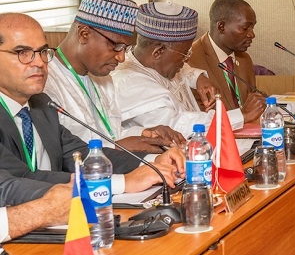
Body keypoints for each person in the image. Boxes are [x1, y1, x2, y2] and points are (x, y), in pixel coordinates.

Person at [0, 13, 183, 194]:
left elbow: (80, 155)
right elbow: (17, 179)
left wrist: (154, 161)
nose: (39, 62)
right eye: (22, 52)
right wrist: (123, 183)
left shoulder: (41, 104)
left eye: (42, 52)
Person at [45, 0, 185, 153]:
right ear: (84, 34)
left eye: (125, 48)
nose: (121, 58)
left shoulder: (103, 79)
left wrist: (145, 133)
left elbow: (111, 134)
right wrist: (118, 147)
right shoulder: (47, 83)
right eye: (116, 46)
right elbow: (60, 156)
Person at [115, 2, 257, 135]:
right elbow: (178, 124)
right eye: (185, 53)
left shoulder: (157, 64)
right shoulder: (129, 82)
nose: (187, 59)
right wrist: (241, 115)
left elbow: (185, 70)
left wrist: (198, 78)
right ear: (158, 52)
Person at [188, 0, 268, 118]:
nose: (252, 34)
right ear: (221, 26)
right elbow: (197, 116)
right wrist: (242, 115)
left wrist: (259, 103)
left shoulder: (244, 59)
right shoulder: (190, 60)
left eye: (253, 28)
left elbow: (251, 104)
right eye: (245, 28)